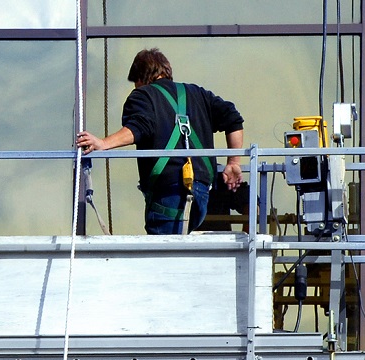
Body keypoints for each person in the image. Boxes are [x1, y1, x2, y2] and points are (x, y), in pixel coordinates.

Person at [76, 48, 245, 235]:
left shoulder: (143, 95)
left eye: (135, 83)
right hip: (202, 194)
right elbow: (234, 119)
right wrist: (234, 162)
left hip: (169, 194)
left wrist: (103, 143)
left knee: (162, 257)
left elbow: (139, 128)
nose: (135, 88)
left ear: (141, 77)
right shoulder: (199, 94)